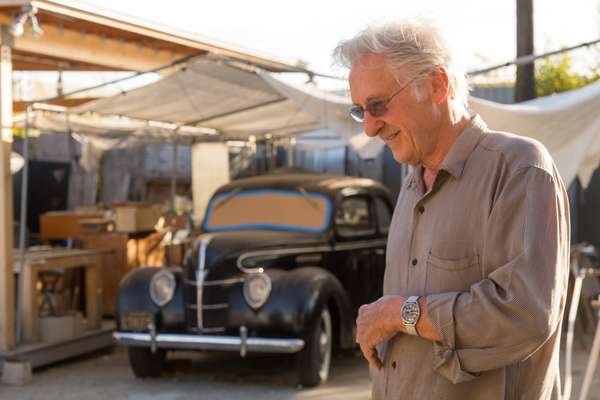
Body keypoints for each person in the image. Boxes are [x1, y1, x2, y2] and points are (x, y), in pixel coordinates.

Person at [333, 19, 570, 400]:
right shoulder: (411, 185)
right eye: (361, 111)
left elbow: (524, 315)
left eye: (378, 105)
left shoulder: (520, 168)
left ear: (436, 85)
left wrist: (400, 314)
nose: (370, 129)